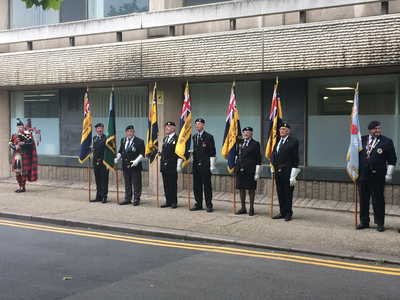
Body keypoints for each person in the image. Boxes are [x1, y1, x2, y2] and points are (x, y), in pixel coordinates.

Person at [357, 121, 396, 232]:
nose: (378, 130)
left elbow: (392, 159)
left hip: (378, 176)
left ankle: (380, 223)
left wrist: (389, 174)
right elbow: (355, 155)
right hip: (363, 175)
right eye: (375, 129)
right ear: (370, 130)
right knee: (363, 200)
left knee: (378, 200)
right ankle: (364, 222)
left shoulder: (386, 141)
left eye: (379, 128)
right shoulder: (361, 140)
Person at [272, 122, 300, 221]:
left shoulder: (293, 141)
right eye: (280, 129)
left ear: (288, 131)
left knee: (288, 193)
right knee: (280, 193)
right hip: (278, 171)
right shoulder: (277, 142)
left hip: (288, 171)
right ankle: (282, 211)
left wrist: (293, 175)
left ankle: (288, 213)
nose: (282, 131)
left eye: (284, 129)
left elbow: (295, 159)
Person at [190, 118, 217, 212]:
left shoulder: (208, 137)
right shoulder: (194, 137)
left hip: (205, 164)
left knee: (206, 185)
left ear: (203, 125)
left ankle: (209, 204)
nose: (197, 125)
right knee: (196, 185)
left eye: (199, 124)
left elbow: (212, 152)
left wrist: (212, 165)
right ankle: (198, 203)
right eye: (196, 124)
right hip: (196, 164)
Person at [115, 125, 145, 206]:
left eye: (131, 131)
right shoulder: (123, 140)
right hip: (125, 165)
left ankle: (136, 198)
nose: (129, 133)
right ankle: (127, 198)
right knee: (127, 183)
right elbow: (121, 150)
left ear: (134, 132)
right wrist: (118, 157)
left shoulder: (139, 141)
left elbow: (142, 153)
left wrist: (137, 161)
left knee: (136, 183)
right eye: (128, 131)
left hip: (135, 165)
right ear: (126, 132)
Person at [234, 127, 262, 216]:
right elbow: (237, 155)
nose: (246, 134)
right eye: (244, 132)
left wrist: (257, 172)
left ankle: (251, 208)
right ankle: (243, 208)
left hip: (250, 170)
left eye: (248, 132)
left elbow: (258, 159)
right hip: (240, 169)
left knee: (251, 189)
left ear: (251, 134)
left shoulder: (255, 144)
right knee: (241, 188)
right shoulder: (240, 142)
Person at [9, 119, 38, 192]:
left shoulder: (27, 136)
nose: (19, 129)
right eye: (18, 127)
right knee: (17, 171)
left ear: (23, 128)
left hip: (24, 155)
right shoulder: (14, 135)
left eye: (21, 127)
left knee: (24, 171)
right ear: (16, 128)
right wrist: (15, 146)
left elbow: (31, 143)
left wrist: (24, 143)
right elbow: (10, 143)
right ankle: (20, 186)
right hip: (16, 156)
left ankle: (23, 187)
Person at [160, 121, 179, 209]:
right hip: (164, 164)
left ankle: (174, 201)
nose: (166, 128)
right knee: (166, 184)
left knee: (172, 184)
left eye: (169, 127)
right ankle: (168, 200)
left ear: (173, 128)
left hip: (172, 164)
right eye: (166, 127)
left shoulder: (177, 138)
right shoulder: (165, 139)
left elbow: (178, 152)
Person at [90, 123, 109, 204]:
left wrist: (108, 163)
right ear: (96, 130)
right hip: (96, 162)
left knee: (104, 180)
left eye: (101, 128)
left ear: (103, 129)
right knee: (97, 180)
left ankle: (104, 196)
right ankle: (98, 196)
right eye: (98, 128)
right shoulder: (94, 138)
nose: (100, 129)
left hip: (103, 162)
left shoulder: (106, 138)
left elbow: (108, 151)